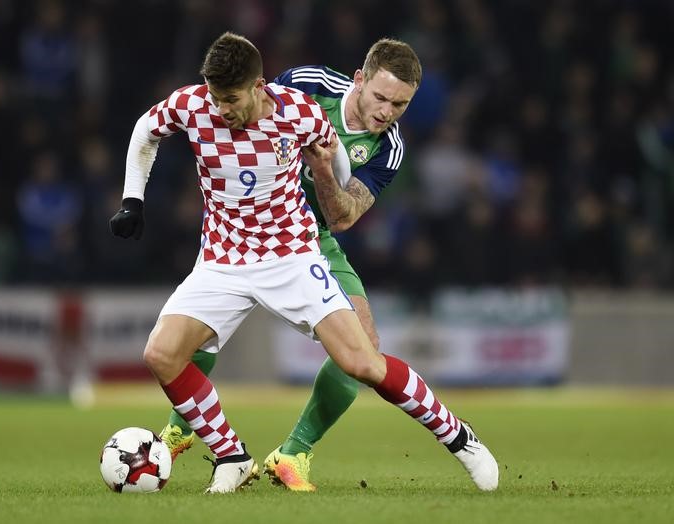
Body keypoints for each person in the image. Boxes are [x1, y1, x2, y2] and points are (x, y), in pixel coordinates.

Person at [111, 32, 498, 494]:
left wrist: (322, 169)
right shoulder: (291, 89)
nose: (386, 113)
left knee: (362, 358)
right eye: (381, 98)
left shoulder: (370, 142)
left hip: (299, 246)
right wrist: (133, 200)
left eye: (400, 106)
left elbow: (343, 212)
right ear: (359, 81)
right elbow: (150, 129)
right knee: (162, 352)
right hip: (224, 254)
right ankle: (227, 453)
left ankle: (455, 435)